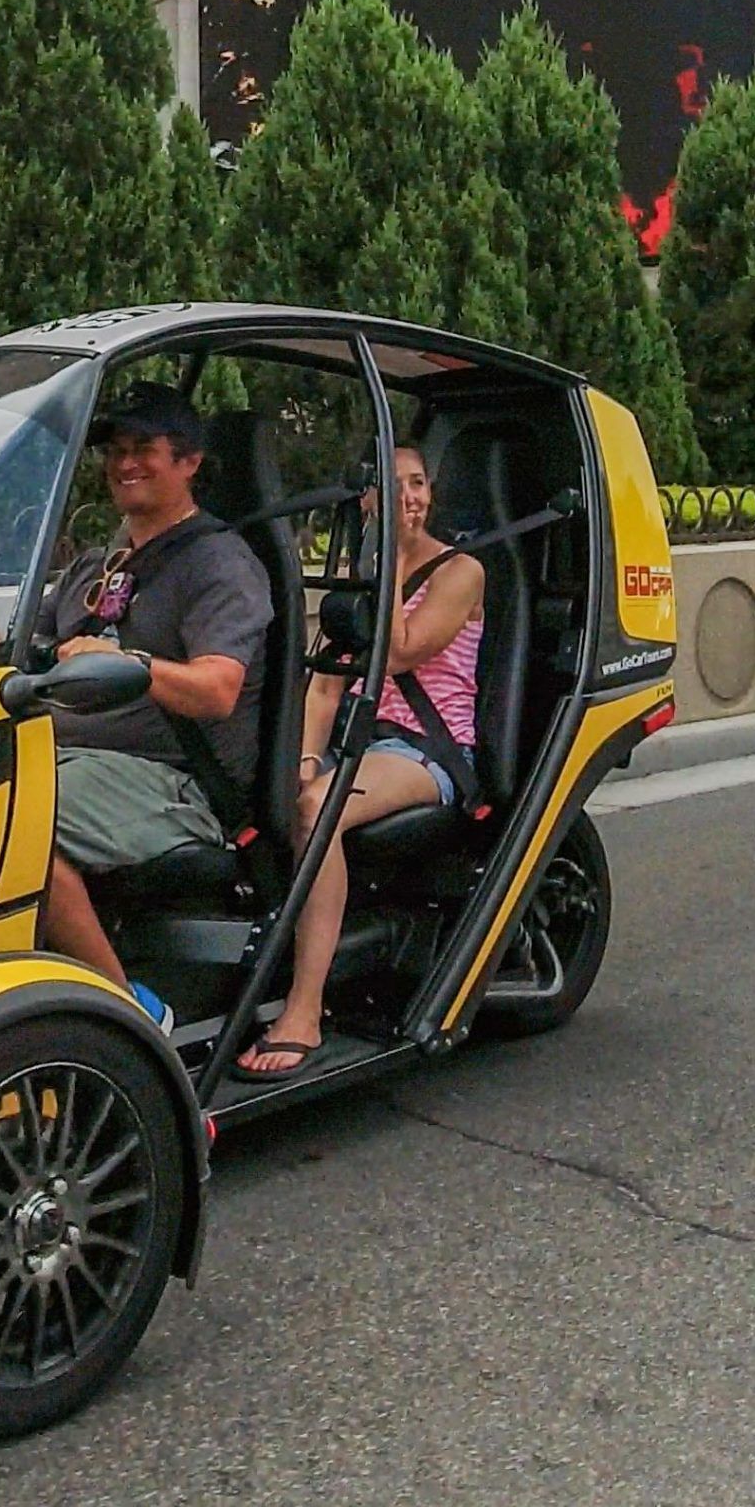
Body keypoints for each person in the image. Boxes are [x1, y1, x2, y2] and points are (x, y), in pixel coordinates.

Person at [237, 441, 482, 1077]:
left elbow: (395, 652)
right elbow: (324, 684)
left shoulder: (461, 572)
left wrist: (393, 554)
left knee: (318, 810)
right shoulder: (361, 581)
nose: (412, 496)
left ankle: (305, 1010)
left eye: (420, 482)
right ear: (369, 497)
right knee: (279, 788)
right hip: (361, 741)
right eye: (395, 485)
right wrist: (302, 760)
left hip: (429, 751)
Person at [37, 384, 273, 1033]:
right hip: (73, 759)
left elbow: (217, 688)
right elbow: (23, 647)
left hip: (177, 784)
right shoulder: (97, 563)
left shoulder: (220, 564)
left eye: (144, 448)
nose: (125, 463)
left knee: (13, 814)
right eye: (116, 450)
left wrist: (129, 667)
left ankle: (129, 1015)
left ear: (190, 461)